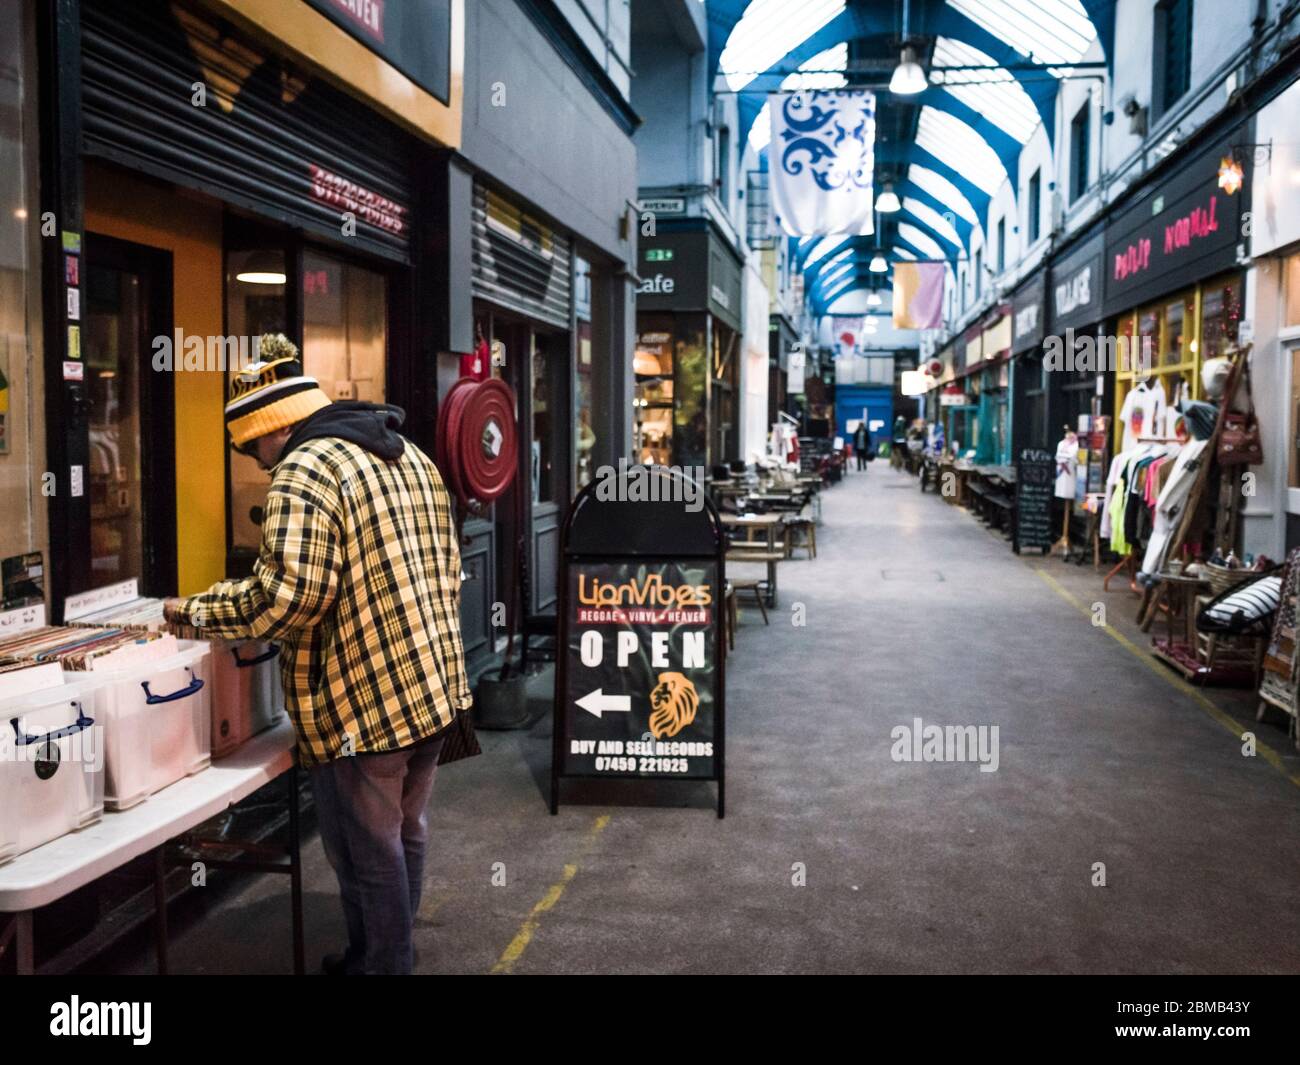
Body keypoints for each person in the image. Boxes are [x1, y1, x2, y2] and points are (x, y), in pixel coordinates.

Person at [164, 336, 471, 976]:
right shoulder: (409, 455)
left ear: (270, 429)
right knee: (405, 831)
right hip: (434, 689)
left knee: (368, 850)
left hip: (364, 705)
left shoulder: (305, 471)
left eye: (251, 448)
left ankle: (383, 965)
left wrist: (194, 611)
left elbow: (289, 600)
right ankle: (387, 953)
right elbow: (449, 567)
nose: (256, 464)